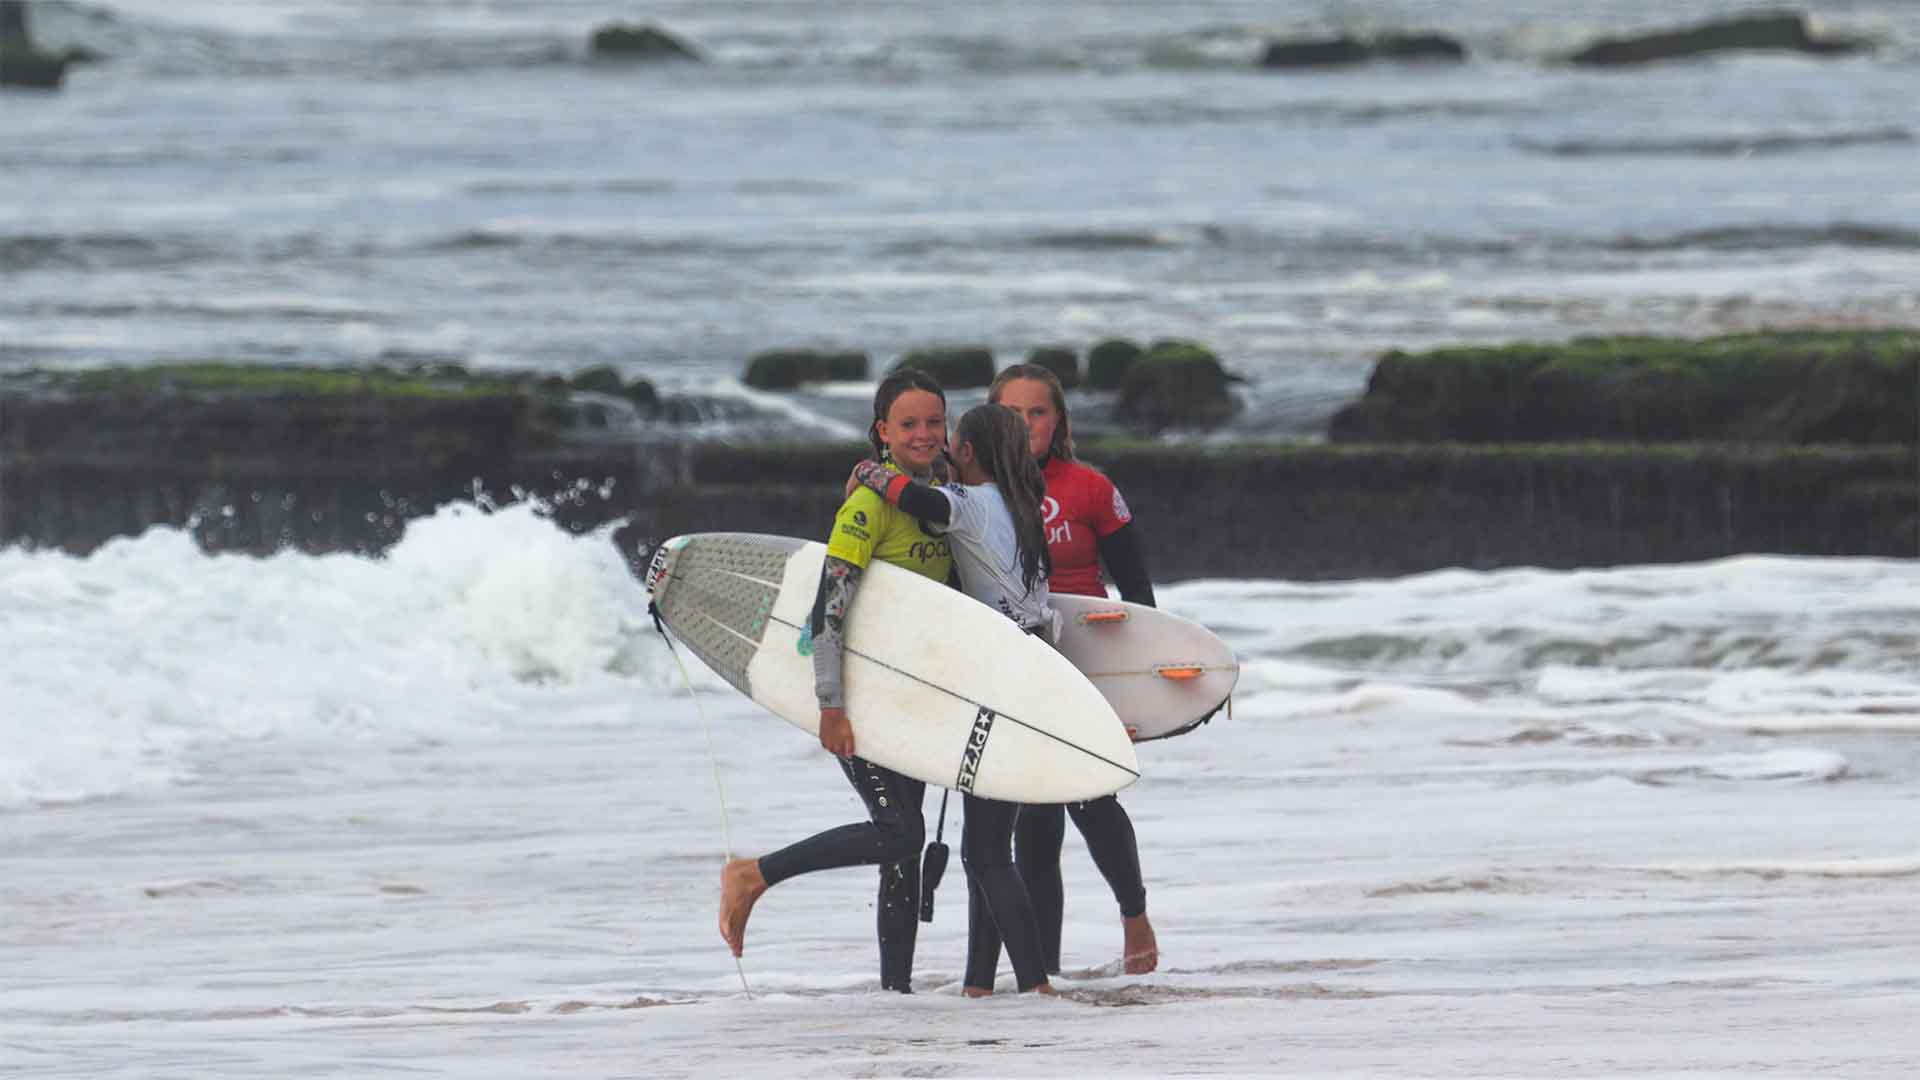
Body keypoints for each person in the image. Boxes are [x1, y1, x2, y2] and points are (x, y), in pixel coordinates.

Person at [716, 369, 953, 993]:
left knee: (902, 851)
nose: (924, 434)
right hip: (858, 690)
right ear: (883, 432)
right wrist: (831, 704)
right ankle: (754, 875)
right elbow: (829, 605)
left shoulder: (945, 497)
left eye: (934, 421)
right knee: (900, 832)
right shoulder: (867, 505)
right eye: (909, 424)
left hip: (914, 692)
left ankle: (895, 996)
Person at [848, 403, 1058, 996]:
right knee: (988, 848)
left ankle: (1037, 988)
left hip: (1000, 682)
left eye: (952, 443)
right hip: (1035, 671)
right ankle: (979, 987)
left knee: (988, 852)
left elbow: (916, 501)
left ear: (967, 452)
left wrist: (869, 471)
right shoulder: (1022, 506)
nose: (942, 448)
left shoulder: (968, 506)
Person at [987, 362, 1160, 977]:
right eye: (1013, 413)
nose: (1027, 424)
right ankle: (1047, 969)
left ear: (1057, 420)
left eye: (1038, 411)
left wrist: (1141, 692)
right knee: (1033, 816)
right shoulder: (969, 491)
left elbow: (1139, 595)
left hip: (1082, 661)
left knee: (1089, 795)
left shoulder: (1089, 488)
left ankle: (1134, 912)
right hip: (1009, 663)